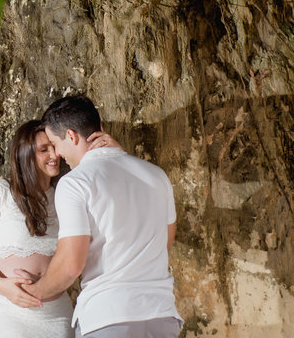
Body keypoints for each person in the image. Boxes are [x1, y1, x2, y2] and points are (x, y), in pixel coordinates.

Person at [23, 95, 181, 338]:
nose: (58, 154)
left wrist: (35, 292)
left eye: (55, 143)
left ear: (71, 136)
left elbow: (71, 265)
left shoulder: (75, 183)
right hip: (161, 316)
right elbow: (164, 243)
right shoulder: (157, 175)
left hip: (109, 316)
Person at [0, 119, 121, 338]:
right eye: (43, 150)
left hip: (56, 313)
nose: (54, 155)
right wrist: (3, 286)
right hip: (9, 310)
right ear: (26, 155)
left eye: (54, 147)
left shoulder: (66, 194)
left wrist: (115, 153)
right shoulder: (2, 192)